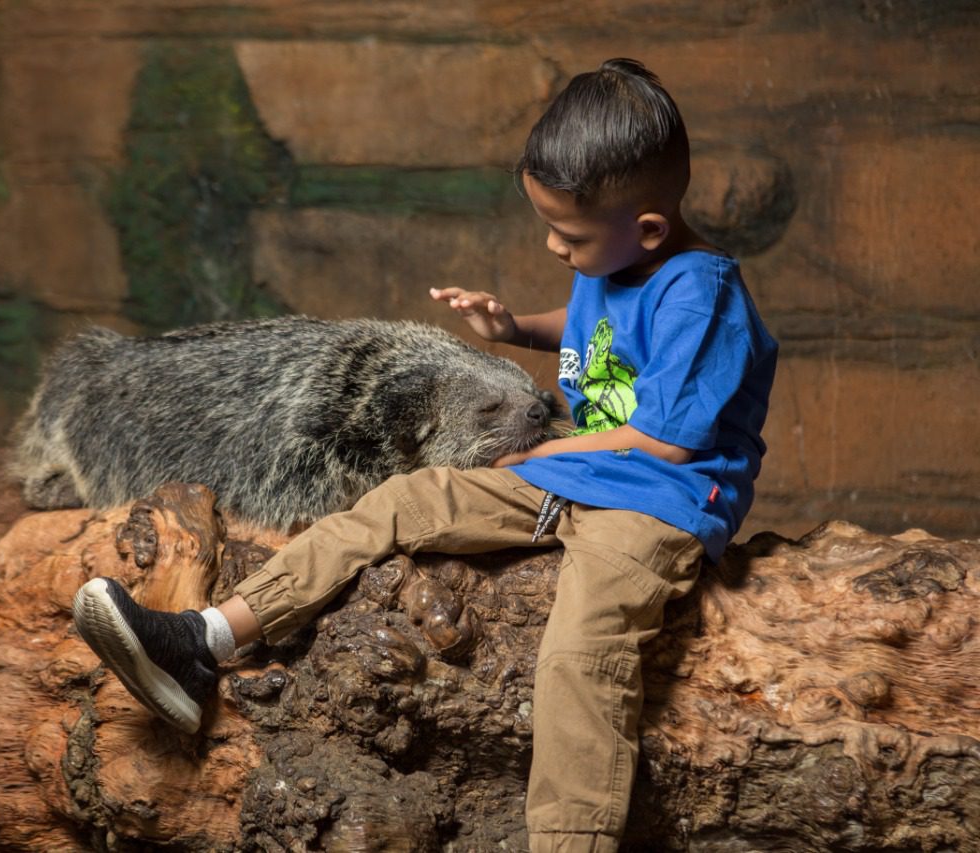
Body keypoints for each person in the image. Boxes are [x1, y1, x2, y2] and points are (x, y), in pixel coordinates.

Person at [71, 57, 778, 852]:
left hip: (656, 500)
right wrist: (516, 327)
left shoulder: (702, 295)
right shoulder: (613, 255)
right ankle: (203, 642)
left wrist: (549, 449)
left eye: (567, 235)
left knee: (580, 654)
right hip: (571, 472)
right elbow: (600, 325)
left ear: (648, 229)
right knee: (398, 503)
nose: (552, 245)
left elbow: (668, 437)